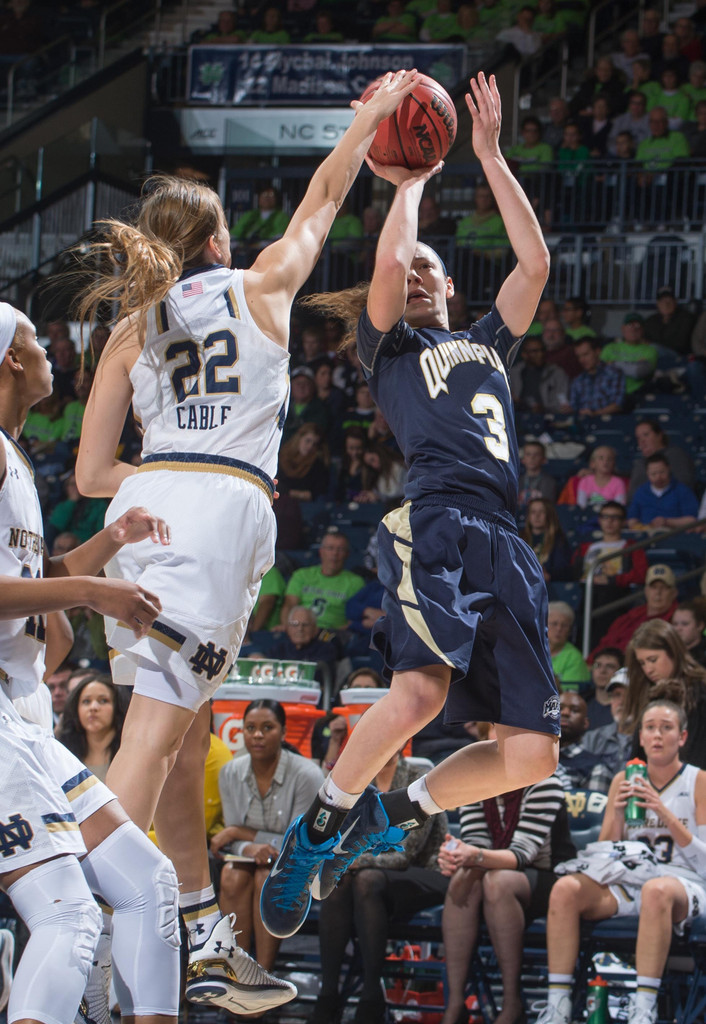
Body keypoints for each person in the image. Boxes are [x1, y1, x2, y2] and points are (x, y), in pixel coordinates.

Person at [73, 70, 424, 1013]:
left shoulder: (130, 322)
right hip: (221, 506)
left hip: (139, 509)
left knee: (181, 743)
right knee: (150, 745)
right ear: (219, 238)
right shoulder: (263, 281)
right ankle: (78, 930)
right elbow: (323, 198)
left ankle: (196, 928)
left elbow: (87, 476)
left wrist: (157, 481)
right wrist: (364, 126)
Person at [260, 72, 560, 942]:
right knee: (421, 694)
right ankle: (318, 828)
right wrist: (412, 183)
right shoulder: (387, 347)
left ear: (456, 290)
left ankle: (389, 813)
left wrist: (492, 158)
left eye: (434, 269)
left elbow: (535, 263)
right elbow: (390, 262)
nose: (421, 273)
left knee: (535, 754)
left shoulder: (489, 343)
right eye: (414, 269)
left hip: (508, 541)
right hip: (436, 522)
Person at [0, 302, 182, 1024]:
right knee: (70, 919)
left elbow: (33, 573)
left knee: (148, 883)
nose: (50, 350)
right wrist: (89, 590)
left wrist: (108, 544)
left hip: (27, 721)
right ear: (11, 359)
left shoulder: (14, 455)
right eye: (35, 341)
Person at [537, 693, 706, 1024]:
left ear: (682, 737)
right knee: (565, 890)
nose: (657, 735)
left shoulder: (698, 781)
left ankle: (643, 1009)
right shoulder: (623, 781)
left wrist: (663, 813)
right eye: (650, 728)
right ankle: (557, 1008)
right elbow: (604, 856)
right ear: (640, 736)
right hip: (633, 881)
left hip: (686, 884)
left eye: (666, 728)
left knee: (656, 890)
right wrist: (615, 813)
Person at [440, 722, 573, 1024]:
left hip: (551, 876)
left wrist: (473, 855)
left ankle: (512, 1002)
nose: (502, 741)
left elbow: (522, 855)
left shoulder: (545, 780)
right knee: (466, 877)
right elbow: (476, 843)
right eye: (495, 733)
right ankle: (455, 1003)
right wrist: (455, 856)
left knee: (497, 881)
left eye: (511, 734)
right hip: (499, 870)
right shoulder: (476, 782)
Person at [312, 748, 449, 1024]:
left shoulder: (418, 778)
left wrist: (352, 861)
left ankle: (372, 995)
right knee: (340, 882)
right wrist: (348, 861)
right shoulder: (358, 781)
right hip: (372, 876)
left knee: (364, 878)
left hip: (425, 871)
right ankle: (328, 995)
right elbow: (341, 838)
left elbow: (407, 854)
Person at [210, 700, 324, 972]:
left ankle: (264, 974)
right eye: (250, 728)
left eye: (267, 728)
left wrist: (243, 835)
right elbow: (230, 839)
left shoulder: (307, 774)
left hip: (300, 866)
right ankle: (236, 973)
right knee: (232, 875)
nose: (257, 735)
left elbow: (302, 843)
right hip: (247, 867)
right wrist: (248, 846)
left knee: (266, 877)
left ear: (283, 732)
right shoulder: (230, 772)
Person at [623, 619, 706, 769]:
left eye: (653, 660)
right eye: (642, 663)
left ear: (673, 652)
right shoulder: (647, 693)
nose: (648, 669)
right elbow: (638, 756)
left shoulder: (701, 692)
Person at [280, 530, 365, 634]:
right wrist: (288, 627)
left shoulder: (356, 582)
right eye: (330, 548)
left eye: (340, 549)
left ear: (347, 554)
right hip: (300, 630)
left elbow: (355, 618)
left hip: (332, 634)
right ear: (321, 551)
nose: (335, 553)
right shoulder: (301, 575)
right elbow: (289, 605)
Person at [589, 563, 679, 658]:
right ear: (646, 591)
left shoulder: (678, 621)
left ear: (674, 593)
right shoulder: (628, 617)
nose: (658, 593)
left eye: (664, 588)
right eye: (654, 587)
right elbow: (604, 645)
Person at [56, 673, 128, 782]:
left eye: (103, 700)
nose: (93, 708)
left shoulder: (130, 754)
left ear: (117, 706)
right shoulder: (63, 756)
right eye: (86, 701)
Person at [556, 692, 614, 792]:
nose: (565, 713)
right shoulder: (535, 758)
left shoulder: (596, 768)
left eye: (574, 710)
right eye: (559, 708)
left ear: (585, 723)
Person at [627, 418, 695, 500]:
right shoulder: (639, 464)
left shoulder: (675, 455)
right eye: (638, 438)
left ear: (659, 435)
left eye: (646, 435)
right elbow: (632, 497)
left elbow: (684, 487)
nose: (642, 441)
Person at [627, 453, 699, 530]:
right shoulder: (641, 492)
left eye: (662, 472)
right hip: (646, 536)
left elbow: (692, 520)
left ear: (669, 469)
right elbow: (632, 519)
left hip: (675, 536)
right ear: (647, 474)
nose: (658, 477)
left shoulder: (682, 490)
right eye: (653, 474)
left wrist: (667, 522)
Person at [582, 665, 633, 773]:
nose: (622, 702)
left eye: (629, 695)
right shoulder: (592, 739)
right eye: (617, 695)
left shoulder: (649, 740)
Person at [601, 312, 658, 399]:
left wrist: (613, 364)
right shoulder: (610, 348)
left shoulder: (650, 350)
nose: (633, 329)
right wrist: (632, 366)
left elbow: (640, 372)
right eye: (630, 325)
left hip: (636, 393)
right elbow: (599, 369)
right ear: (623, 328)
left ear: (643, 330)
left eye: (637, 326)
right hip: (609, 392)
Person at [509, 337, 571, 415]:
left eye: (542, 350)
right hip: (518, 416)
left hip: (548, 418)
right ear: (524, 354)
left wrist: (544, 408)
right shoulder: (514, 373)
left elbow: (562, 402)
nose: (540, 354)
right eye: (535, 351)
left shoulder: (556, 373)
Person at [569, 336, 625, 416]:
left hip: (609, 423)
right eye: (579, 357)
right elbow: (574, 408)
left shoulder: (614, 373)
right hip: (583, 424)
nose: (582, 360)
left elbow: (617, 405)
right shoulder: (578, 380)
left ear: (597, 352)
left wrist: (595, 414)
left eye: (585, 354)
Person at [521, 499, 573, 583]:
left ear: (549, 515)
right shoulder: (519, 539)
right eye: (533, 512)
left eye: (542, 512)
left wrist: (549, 575)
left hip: (549, 587)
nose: (537, 516)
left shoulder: (558, 540)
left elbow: (563, 570)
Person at [276, 422, 330, 502]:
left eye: (314, 444)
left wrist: (288, 492)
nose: (310, 446)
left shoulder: (317, 465)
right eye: (308, 441)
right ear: (299, 438)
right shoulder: (281, 455)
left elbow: (314, 493)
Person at [230, 184, 291, 251]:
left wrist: (259, 246)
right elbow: (234, 235)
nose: (267, 198)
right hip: (243, 253)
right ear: (258, 198)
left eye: (271, 195)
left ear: (277, 199)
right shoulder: (249, 215)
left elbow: (280, 238)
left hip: (268, 253)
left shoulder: (282, 217)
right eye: (264, 194)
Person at [547, 602, 591, 691]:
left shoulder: (574, 658)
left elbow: (569, 696)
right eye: (554, 624)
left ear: (570, 630)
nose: (559, 629)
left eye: (564, 625)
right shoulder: (534, 650)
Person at [642, 285, 696, 356]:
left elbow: (681, 344)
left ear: (675, 302)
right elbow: (643, 339)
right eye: (662, 301)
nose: (666, 304)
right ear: (657, 304)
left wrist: (653, 344)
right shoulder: (651, 320)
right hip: (653, 356)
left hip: (678, 356)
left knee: (653, 348)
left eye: (669, 300)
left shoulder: (686, 318)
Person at [584, 647, 624, 730]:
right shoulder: (582, 702)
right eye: (597, 665)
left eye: (610, 666)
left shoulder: (625, 707)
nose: (602, 671)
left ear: (621, 671)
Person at [517, 441, 558, 510]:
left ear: (544, 460)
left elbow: (547, 508)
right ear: (523, 460)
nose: (532, 458)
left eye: (536, 454)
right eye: (528, 454)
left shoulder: (549, 482)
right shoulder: (516, 481)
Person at [672, 600, 706, 667]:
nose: (678, 629)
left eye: (685, 624)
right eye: (675, 624)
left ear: (700, 626)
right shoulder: (669, 651)